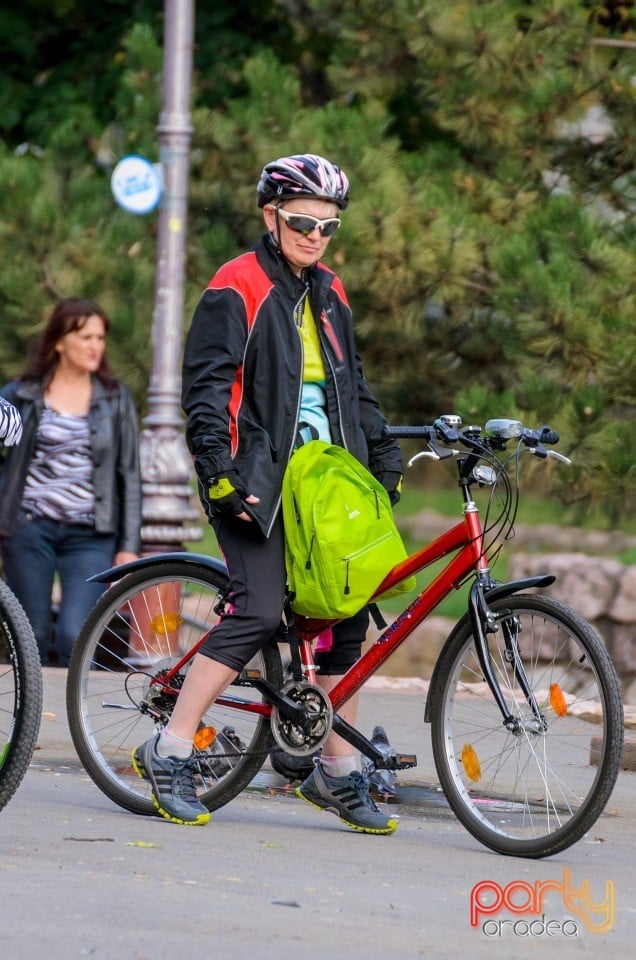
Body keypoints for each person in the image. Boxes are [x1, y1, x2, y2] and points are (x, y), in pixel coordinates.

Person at [132, 154, 404, 833]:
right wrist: (220, 475)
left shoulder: (332, 293)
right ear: (270, 216)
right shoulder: (238, 284)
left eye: (328, 226)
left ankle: (336, 770)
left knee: (345, 621)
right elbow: (206, 388)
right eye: (304, 222)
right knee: (255, 610)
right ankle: (170, 750)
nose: (316, 236)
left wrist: (382, 459)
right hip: (254, 479)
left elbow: (354, 390)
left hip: (324, 488)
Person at [0, 297, 142, 666]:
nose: (95, 346)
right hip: (29, 529)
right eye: (85, 337)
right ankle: (30, 717)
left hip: (90, 535)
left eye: (100, 338)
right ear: (60, 341)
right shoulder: (21, 395)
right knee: (30, 634)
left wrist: (127, 546)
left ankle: (71, 720)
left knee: (76, 637)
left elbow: (129, 473)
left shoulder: (115, 398)